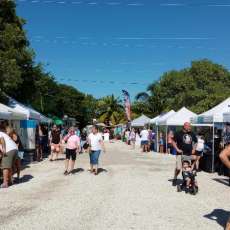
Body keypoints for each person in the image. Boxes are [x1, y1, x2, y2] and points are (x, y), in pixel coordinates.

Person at [171, 122, 197, 186]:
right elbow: (173, 141)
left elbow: (196, 142)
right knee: (178, 168)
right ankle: (175, 177)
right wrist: (177, 149)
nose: (190, 127)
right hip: (180, 154)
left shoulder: (191, 133)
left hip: (188, 154)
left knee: (187, 168)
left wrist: (194, 149)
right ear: (184, 126)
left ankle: (187, 180)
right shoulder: (178, 133)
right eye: (189, 126)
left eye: (190, 126)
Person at [0, 123, 18, 188]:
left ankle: (5, 183)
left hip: (9, 150)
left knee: (5, 167)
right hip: (15, 149)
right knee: (9, 167)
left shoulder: (0, 133)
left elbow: (2, 140)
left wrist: (4, 149)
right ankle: (10, 181)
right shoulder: (4, 133)